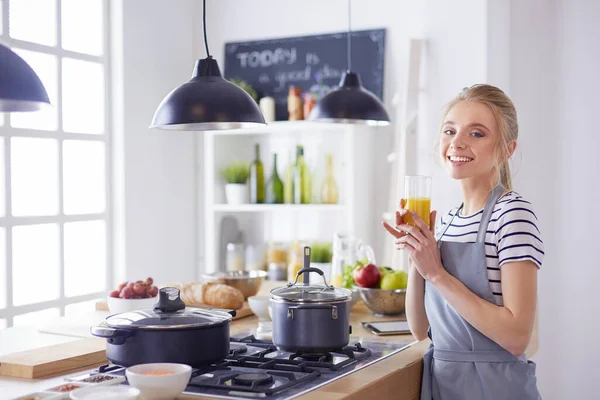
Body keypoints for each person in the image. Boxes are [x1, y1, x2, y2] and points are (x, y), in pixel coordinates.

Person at [382, 84, 543, 399]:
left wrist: (437, 274)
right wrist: (419, 254)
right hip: (444, 385)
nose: (457, 142)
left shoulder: (511, 214)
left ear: (507, 149)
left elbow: (516, 336)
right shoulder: (445, 221)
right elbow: (421, 330)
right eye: (449, 130)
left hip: (495, 388)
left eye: (477, 133)